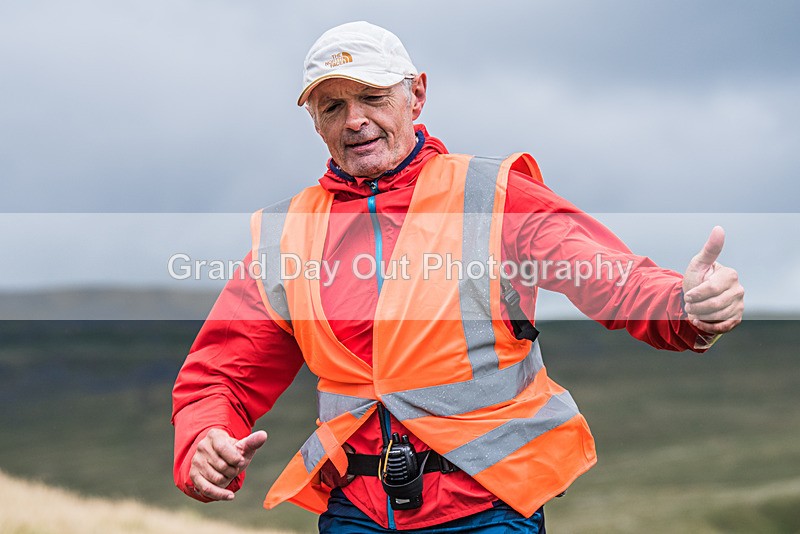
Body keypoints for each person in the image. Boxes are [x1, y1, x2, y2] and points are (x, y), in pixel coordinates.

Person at [172, 21, 744, 532]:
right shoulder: (288, 234)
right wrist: (204, 439)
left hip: (488, 507)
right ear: (313, 122)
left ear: (415, 95)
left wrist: (683, 304)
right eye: (331, 108)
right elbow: (222, 372)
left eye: (372, 97)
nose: (355, 121)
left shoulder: (491, 195)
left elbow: (607, 276)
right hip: (356, 511)